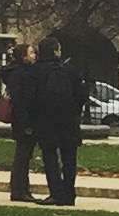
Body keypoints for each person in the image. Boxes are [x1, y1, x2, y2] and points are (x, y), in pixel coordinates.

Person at [30, 34, 88, 207]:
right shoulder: (70, 70)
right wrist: (75, 111)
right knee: (69, 158)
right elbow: (82, 94)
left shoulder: (36, 71)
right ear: (56, 52)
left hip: (46, 120)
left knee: (50, 157)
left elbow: (31, 97)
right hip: (69, 120)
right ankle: (69, 193)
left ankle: (56, 193)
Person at [3, 40, 42, 201]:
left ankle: (22, 189)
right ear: (23, 57)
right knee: (22, 156)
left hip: (24, 119)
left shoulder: (19, 73)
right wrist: (26, 123)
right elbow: (19, 101)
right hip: (23, 121)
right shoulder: (19, 75)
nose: (34, 56)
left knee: (24, 156)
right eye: (31, 53)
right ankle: (19, 190)